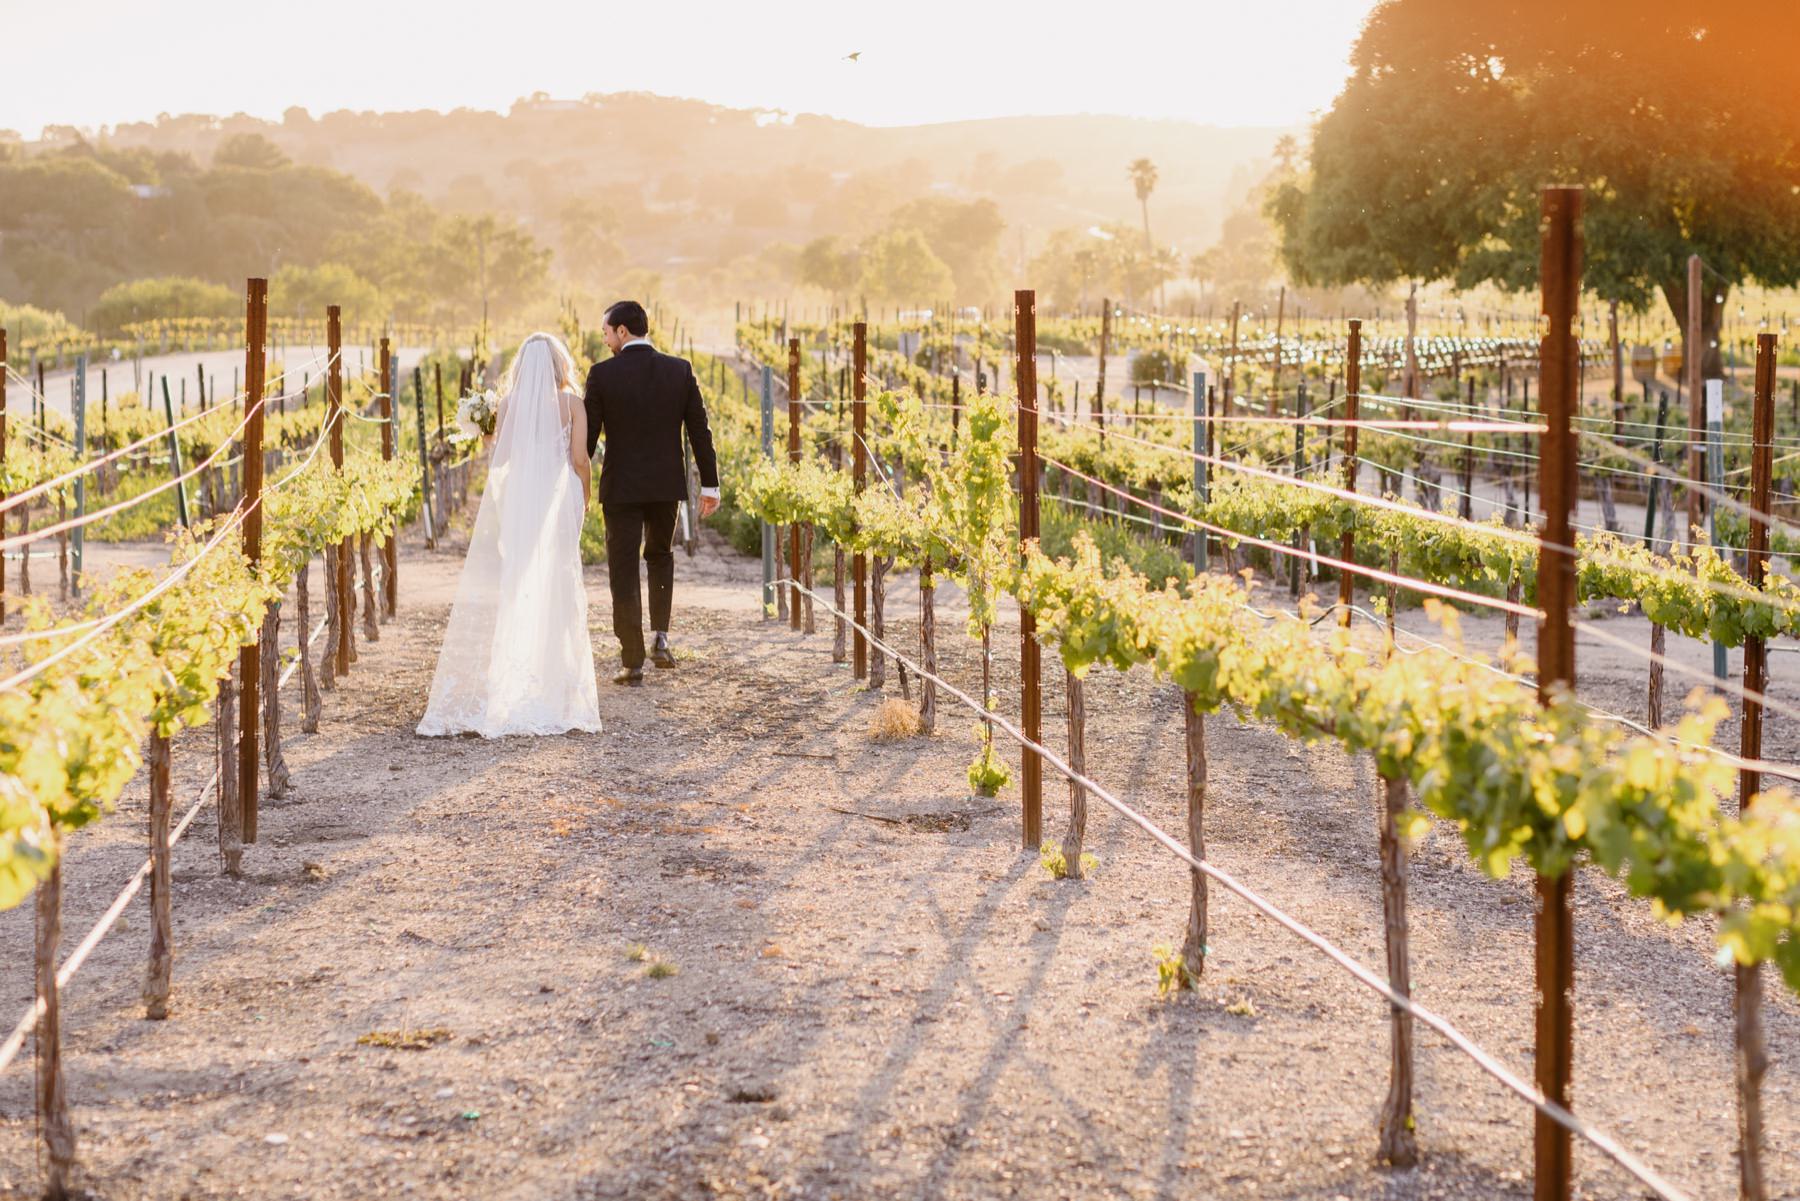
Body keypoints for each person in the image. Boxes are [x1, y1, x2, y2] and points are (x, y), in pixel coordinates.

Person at [417, 333, 602, 736]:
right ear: (560, 365)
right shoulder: (572, 404)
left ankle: (514, 678)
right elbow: (579, 458)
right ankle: (556, 685)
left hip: (521, 501)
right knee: (558, 584)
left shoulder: (507, 405)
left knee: (517, 581)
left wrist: (488, 435)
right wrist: (586, 494)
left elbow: (499, 458)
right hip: (556, 499)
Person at [582, 300, 720, 686]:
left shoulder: (602, 375)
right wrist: (709, 485)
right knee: (660, 557)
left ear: (622, 331)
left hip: (621, 490)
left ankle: (632, 660)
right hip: (665, 487)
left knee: (623, 570)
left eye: (606, 332)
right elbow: (699, 432)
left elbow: (588, 441)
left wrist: (570, 478)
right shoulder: (679, 370)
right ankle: (660, 636)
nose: (605, 340)